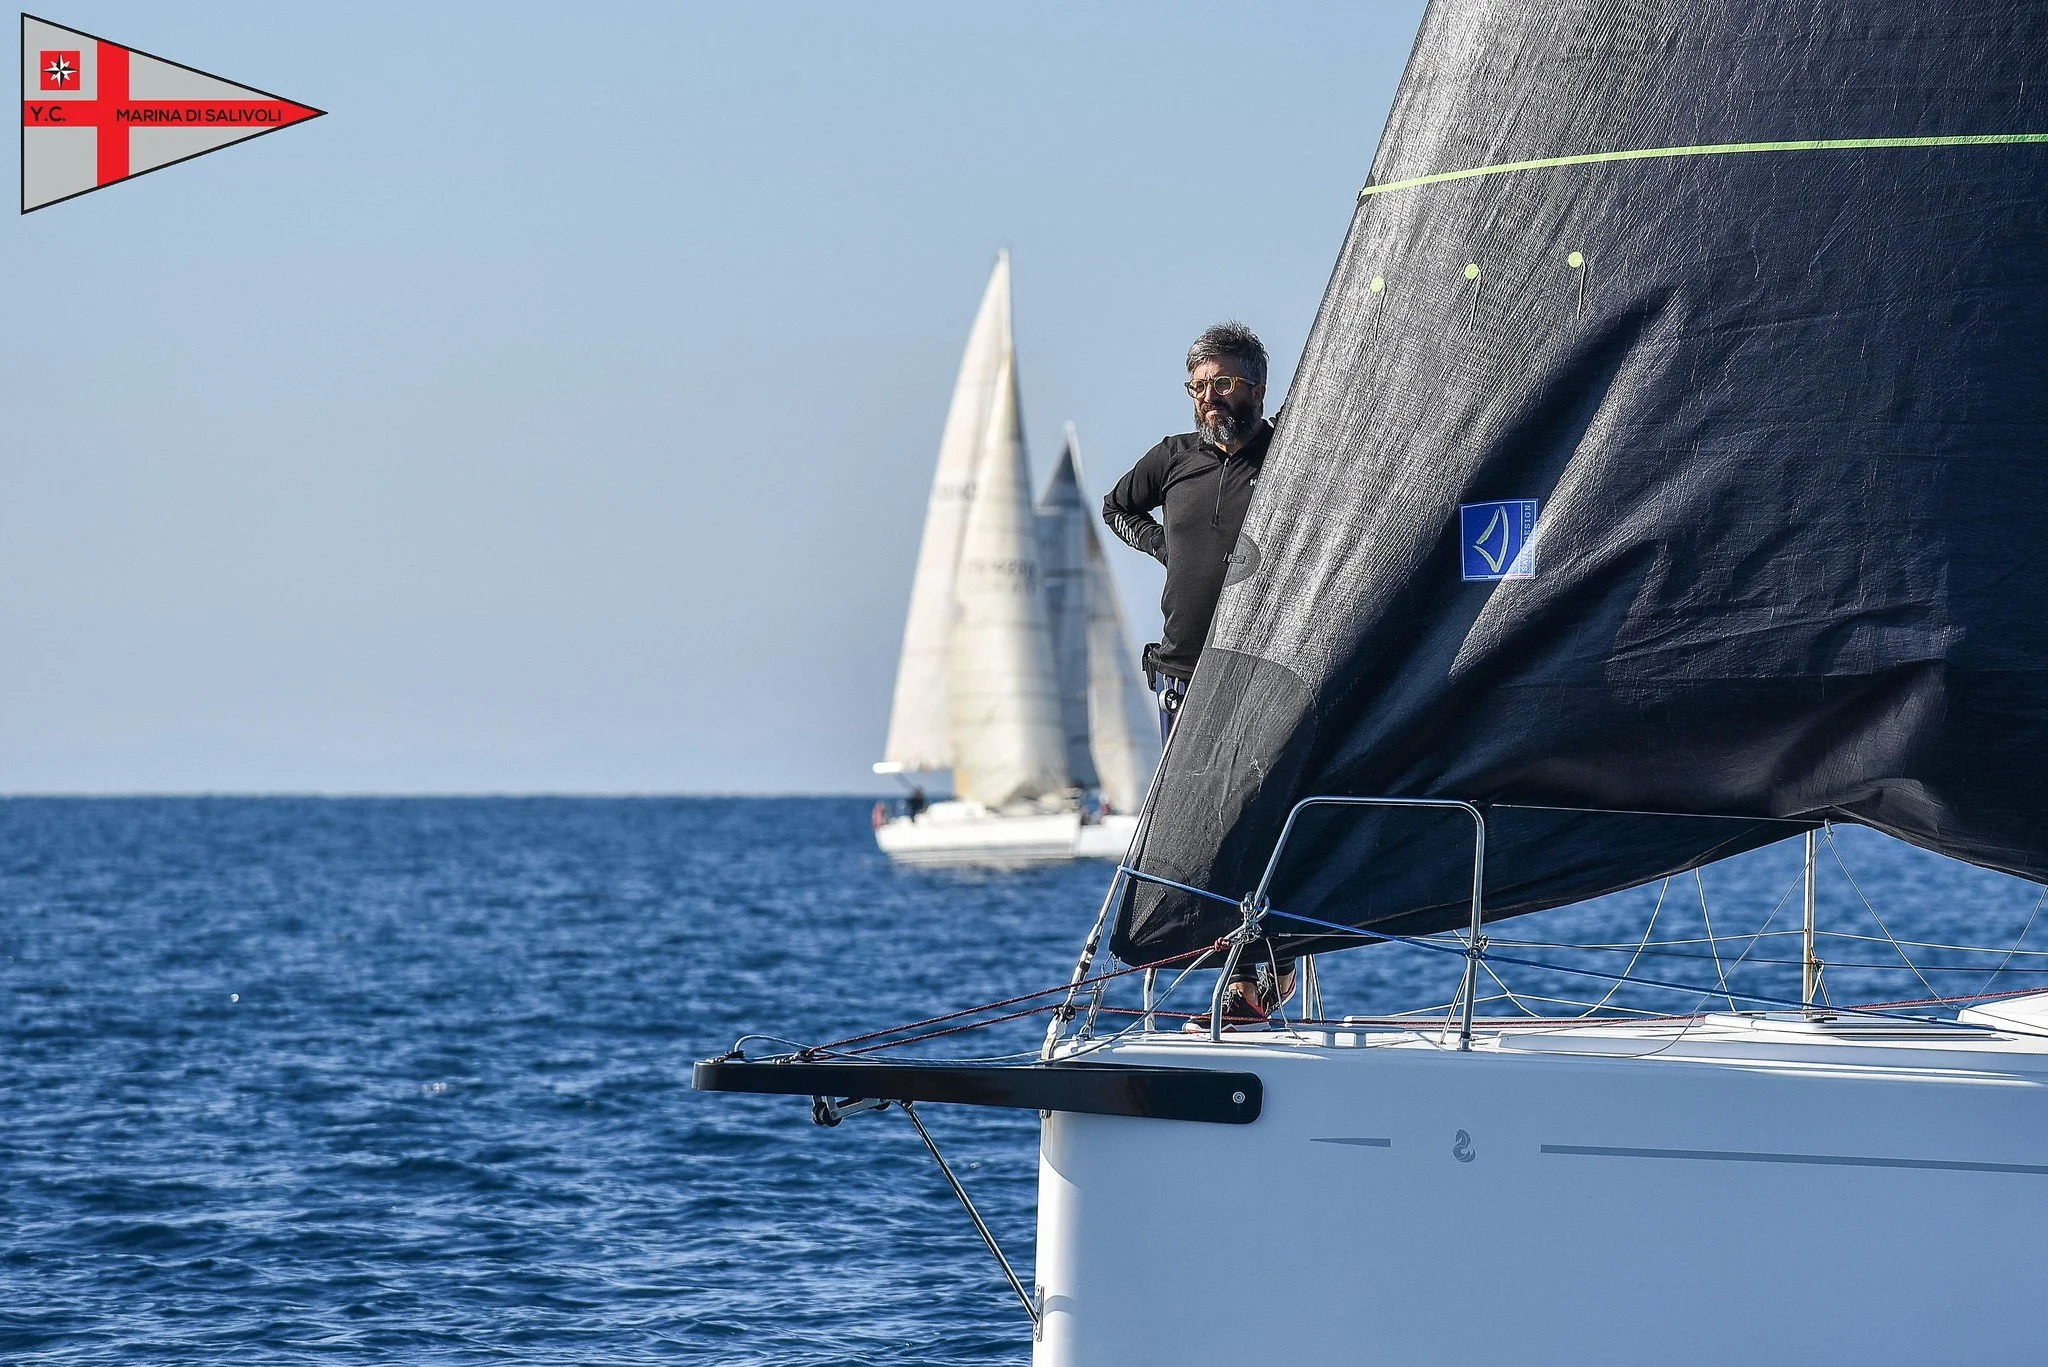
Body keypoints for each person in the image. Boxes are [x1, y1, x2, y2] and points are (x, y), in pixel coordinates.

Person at [1102, 321, 1294, 1025]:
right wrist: (1160, 548)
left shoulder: (1289, 452)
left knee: (1253, 821)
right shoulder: (1173, 457)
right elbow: (1115, 506)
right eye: (1199, 386)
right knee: (1191, 825)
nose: (1209, 398)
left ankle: (1262, 977)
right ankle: (1220, 970)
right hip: (1181, 674)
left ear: (1256, 389)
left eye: (1224, 383)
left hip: (1261, 668)